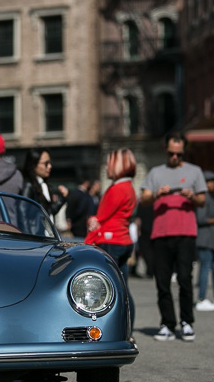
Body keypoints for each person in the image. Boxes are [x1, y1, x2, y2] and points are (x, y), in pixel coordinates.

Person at [141, 131, 206, 342]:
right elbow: (144, 199)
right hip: (161, 234)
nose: (175, 158)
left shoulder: (195, 171)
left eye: (179, 154)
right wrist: (157, 194)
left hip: (186, 233)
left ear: (183, 152)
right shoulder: (155, 172)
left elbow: (202, 200)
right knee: (162, 281)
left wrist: (192, 196)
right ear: (165, 150)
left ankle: (187, 322)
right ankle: (167, 324)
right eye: (171, 154)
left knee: (185, 279)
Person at [85, 148, 138, 328]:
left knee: (110, 289)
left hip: (110, 240)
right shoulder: (130, 188)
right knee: (123, 288)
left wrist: (89, 232)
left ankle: (114, 328)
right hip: (123, 240)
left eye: (109, 163)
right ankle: (127, 328)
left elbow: (100, 218)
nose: (106, 167)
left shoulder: (116, 189)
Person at [195, 171, 214, 311]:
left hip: (213, 239)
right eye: (209, 182)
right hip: (204, 239)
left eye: (213, 181)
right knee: (205, 269)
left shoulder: (211, 198)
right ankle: (201, 297)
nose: (212, 184)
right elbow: (200, 219)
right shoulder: (203, 198)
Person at [20, 148, 68, 227]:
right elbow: (23, 215)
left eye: (50, 163)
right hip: (37, 238)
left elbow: (48, 214)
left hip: (47, 236)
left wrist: (62, 198)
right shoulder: (28, 185)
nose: (50, 166)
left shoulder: (43, 185)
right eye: (46, 163)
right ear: (34, 164)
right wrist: (30, 238)